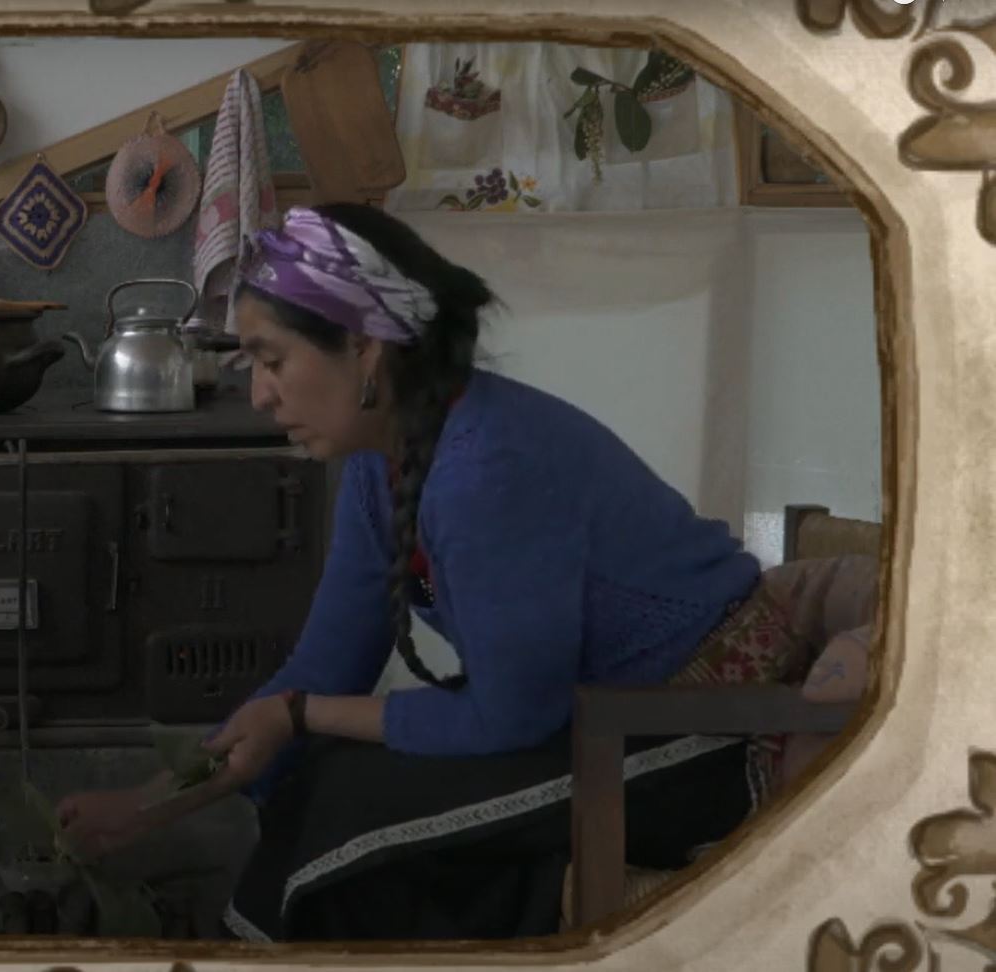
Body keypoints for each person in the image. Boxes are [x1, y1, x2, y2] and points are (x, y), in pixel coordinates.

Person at [56, 203, 830, 942]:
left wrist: (301, 714)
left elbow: (502, 719)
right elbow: (325, 667)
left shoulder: (485, 466)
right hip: (580, 714)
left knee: (346, 825)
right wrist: (151, 805)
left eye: (272, 360)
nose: (259, 393)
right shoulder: (379, 463)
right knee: (320, 784)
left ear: (365, 348)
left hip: (703, 729)